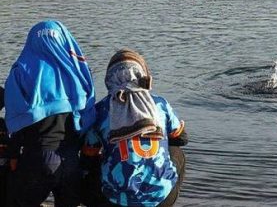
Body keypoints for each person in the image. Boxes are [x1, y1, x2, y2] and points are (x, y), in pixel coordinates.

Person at [3, 20, 96, 206]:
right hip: (70, 159)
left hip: (37, 158)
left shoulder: (21, 71)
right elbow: (88, 117)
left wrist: (13, 155)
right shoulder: (77, 72)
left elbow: (15, 121)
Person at [81, 49, 188, 207]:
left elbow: (88, 157)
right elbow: (182, 138)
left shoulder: (100, 110)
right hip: (162, 199)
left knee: (90, 163)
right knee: (176, 151)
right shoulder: (160, 104)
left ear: (109, 79)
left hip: (115, 202)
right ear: (143, 75)